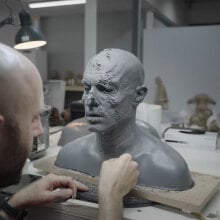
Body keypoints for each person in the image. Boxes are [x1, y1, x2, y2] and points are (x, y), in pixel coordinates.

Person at [0, 43, 139, 220]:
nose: (40, 130)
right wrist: (110, 197)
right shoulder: (73, 151)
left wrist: (12, 205)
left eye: (105, 89)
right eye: (33, 118)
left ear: (138, 95)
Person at [55, 48, 194, 191]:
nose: (89, 100)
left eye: (106, 89)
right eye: (87, 87)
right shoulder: (70, 155)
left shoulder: (168, 168)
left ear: (138, 95)